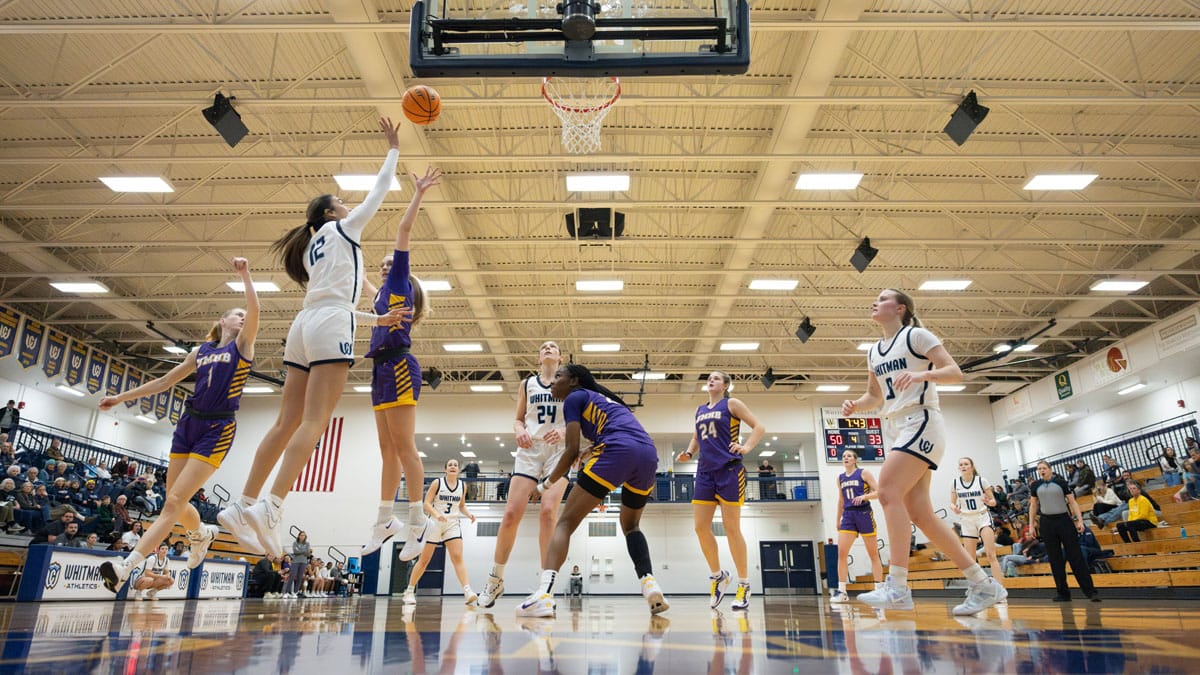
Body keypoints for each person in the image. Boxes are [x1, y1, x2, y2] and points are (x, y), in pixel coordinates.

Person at [216, 118, 409, 558]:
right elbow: (381, 190)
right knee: (314, 422)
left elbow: (331, 298)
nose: (347, 204)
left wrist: (374, 320)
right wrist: (394, 148)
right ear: (330, 213)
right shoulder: (343, 228)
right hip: (329, 325)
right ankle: (272, 506)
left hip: (304, 325)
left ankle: (242, 503)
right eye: (340, 202)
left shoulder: (311, 245)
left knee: (285, 421)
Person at [97, 257, 261, 596]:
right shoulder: (201, 351)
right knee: (176, 503)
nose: (241, 316)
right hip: (189, 423)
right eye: (235, 313)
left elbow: (255, 309)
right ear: (221, 320)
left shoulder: (243, 345)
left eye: (243, 315)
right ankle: (202, 533)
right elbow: (165, 380)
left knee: (172, 503)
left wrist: (245, 275)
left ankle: (125, 567)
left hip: (218, 428)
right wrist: (120, 397)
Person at [845, 289, 1005, 615]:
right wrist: (855, 406)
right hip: (896, 426)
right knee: (921, 514)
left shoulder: (916, 335)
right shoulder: (874, 351)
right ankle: (983, 584)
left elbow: (954, 371)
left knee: (887, 491)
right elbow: (874, 397)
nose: (875, 302)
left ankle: (898, 587)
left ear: (900, 308)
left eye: (883, 298)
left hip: (923, 421)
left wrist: (923, 373)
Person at [518, 364, 668, 618]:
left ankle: (544, 594)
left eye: (558, 377)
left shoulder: (574, 398)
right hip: (648, 455)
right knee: (631, 526)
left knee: (565, 523)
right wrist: (593, 448)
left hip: (616, 452)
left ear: (574, 381)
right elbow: (618, 431)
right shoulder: (604, 400)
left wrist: (543, 486)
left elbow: (570, 451)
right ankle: (649, 583)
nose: (553, 382)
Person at [359, 165, 440, 563]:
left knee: (406, 448)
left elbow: (403, 232)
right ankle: (384, 520)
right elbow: (360, 281)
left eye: (393, 263)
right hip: (379, 370)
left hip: (402, 366)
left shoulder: (401, 283)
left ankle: (416, 521)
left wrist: (418, 193)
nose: (387, 266)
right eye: (383, 264)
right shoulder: (379, 298)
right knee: (385, 450)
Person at [478, 341, 570, 609]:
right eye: (543, 347)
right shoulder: (527, 384)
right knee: (510, 515)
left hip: (558, 451)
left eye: (553, 346)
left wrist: (564, 433)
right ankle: (495, 580)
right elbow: (518, 419)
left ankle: (545, 589)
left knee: (548, 512)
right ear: (538, 357)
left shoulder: (570, 382)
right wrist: (519, 430)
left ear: (560, 356)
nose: (548, 348)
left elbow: (582, 419)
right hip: (530, 450)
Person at [675, 371, 765, 611]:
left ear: (725, 385)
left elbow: (759, 427)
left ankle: (744, 584)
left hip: (729, 471)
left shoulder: (731, 404)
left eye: (716, 378)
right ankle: (718, 576)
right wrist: (689, 453)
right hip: (705, 472)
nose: (711, 380)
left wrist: (745, 447)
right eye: (709, 378)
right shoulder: (700, 409)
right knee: (700, 527)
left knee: (731, 528)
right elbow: (696, 436)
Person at [402, 459, 477, 606]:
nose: (453, 467)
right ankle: (410, 591)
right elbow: (426, 503)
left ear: (459, 470)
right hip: (435, 523)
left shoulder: (463, 485)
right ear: (445, 469)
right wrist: (436, 515)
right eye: (450, 465)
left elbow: (461, 506)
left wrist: (469, 514)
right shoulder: (438, 483)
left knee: (457, 557)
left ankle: (467, 591)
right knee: (424, 560)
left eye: (456, 465)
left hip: (452, 524)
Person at [1028, 460, 1099, 602]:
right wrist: (1031, 525)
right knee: (1055, 559)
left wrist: (1079, 520)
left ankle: (1090, 592)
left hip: (1064, 521)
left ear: (1050, 469)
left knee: (1076, 556)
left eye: (1044, 468)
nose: (1041, 471)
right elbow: (1033, 505)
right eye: (1039, 469)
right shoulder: (1035, 485)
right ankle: (1063, 593)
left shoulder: (1061, 482)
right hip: (1047, 523)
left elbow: (1072, 502)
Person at [829, 450, 884, 603]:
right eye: (844, 456)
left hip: (864, 513)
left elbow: (879, 492)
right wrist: (837, 518)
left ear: (855, 459)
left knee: (873, 554)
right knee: (841, 553)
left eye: (849, 456)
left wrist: (864, 496)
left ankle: (879, 590)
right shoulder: (840, 478)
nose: (845, 458)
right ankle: (842, 592)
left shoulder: (863, 473)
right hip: (848, 515)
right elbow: (840, 500)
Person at [951, 457, 1005, 584]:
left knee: (991, 555)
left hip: (982, 517)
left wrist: (988, 502)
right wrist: (954, 508)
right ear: (959, 468)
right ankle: (978, 588)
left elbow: (993, 502)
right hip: (967, 520)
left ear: (972, 466)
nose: (963, 466)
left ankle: (1001, 591)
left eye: (966, 464)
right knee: (970, 559)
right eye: (961, 464)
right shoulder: (954, 483)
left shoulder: (981, 481)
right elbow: (952, 503)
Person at [284, 531, 311, 598]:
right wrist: (304, 551)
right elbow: (295, 552)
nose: (302, 536)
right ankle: (286, 592)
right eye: (301, 535)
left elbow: (308, 553)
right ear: (299, 536)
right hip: (295, 562)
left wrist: (301, 551)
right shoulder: (295, 543)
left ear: (305, 537)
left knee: (299, 577)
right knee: (292, 576)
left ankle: (295, 592)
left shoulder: (307, 544)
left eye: (304, 535)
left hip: (304, 562)